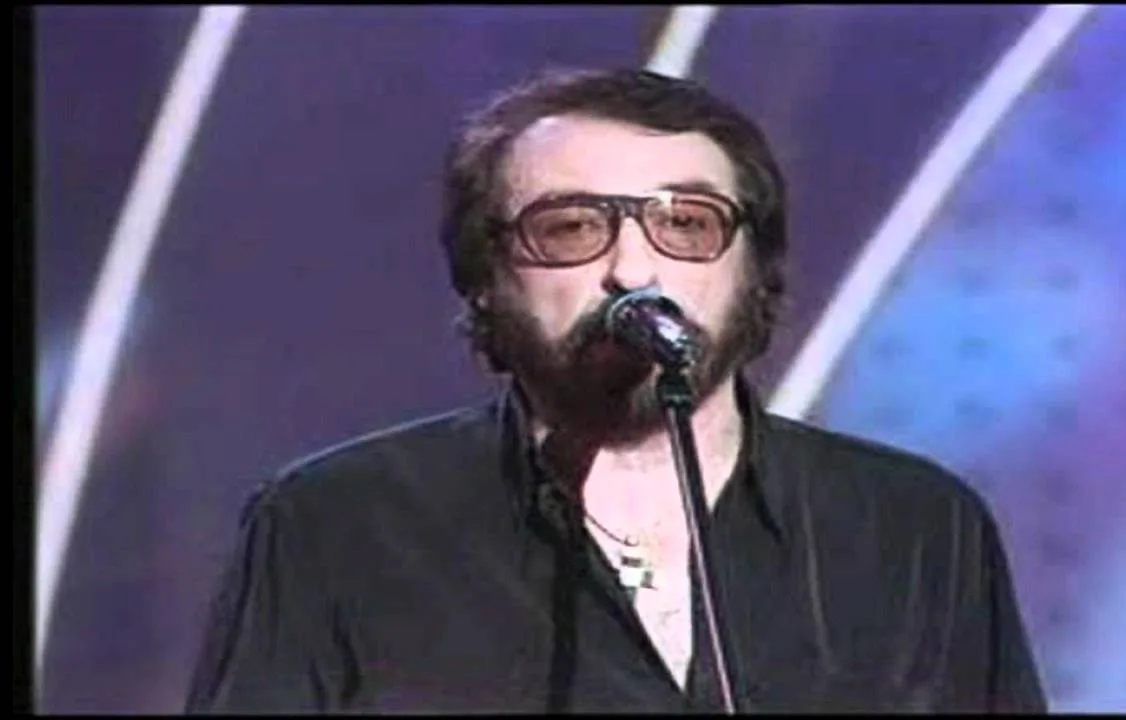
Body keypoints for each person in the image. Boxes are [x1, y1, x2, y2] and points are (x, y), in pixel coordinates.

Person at [184, 67, 1048, 714]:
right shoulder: (337, 524)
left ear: (754, 272)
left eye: (686, 225)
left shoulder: (915, 526)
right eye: (570, 228)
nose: (633, 269)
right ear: (485, 281)